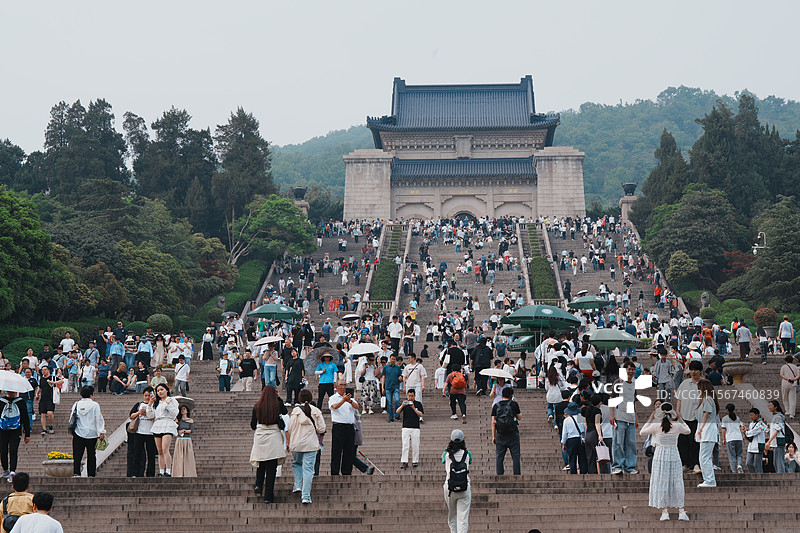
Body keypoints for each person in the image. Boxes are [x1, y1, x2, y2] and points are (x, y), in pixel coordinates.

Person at [640, 402, 690, 521]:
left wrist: (651, 418)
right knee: (677, 482)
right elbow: (688, 430)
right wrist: (679, 417)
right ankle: (681, 511)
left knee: (662, 482)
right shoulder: (677, 425)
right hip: (674, 454)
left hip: (660, 455)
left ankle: (665, 512)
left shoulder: (657, 425)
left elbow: (642, 432)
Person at [286, 389, 326, 504]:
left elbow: (290, 428)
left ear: (300, 398)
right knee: (308, 470)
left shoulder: (295, 411)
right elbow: (322, 429)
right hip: (311, 444)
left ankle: (298, 485)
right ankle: (306, 496)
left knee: (297, 463)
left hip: (297, 443)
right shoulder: (316, 411)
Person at [250, 385, 288, 503]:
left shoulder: (257, 406)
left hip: (261, 435)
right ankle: (268, 497)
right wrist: (279, 398)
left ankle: (258, 484)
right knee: (271, 468)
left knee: (261, 462)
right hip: (273, 435)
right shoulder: (277, 405)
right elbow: (285, 412)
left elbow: (252, 425)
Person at [610, 361, 639, 474]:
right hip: (619, 416)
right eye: (629, 369)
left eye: (633, 369)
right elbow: (612, 398)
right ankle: (617, 466)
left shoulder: (634, 384)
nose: (631, 371)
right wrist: (612, 415)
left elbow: (634, 402)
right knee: (618, 443)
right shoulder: (618, 382)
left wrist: (636, 418)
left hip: (630, 418)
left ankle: (630, 466)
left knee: (631, 443)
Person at [71, 386, 105, 477]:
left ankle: (77, 473)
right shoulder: (95, 405)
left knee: (77, 455)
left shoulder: (76, 404)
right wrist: (101, 432)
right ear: (91, 395)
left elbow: (72, 418)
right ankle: (91, 474)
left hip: (78, 432)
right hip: (92, 433)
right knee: (91, 454)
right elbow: (98, 419)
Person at [674, 360, 702, 472]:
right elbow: (679, 400)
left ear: (700, 371)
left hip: (697, 418)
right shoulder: (684, 383)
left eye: (696, 370)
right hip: (683, 417)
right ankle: (684, 463)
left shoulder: (704, 384)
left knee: (695, 442)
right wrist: (678, 413)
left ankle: (695, 463)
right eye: (691, 369)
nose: (693, 372)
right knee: (683, 442)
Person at [443, 429, 471, 533]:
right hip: (464, 487)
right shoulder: (467, 454)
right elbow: (470, 462)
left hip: (450, 488)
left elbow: (443, 462)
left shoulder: (446, 454)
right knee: (462, 518)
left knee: (452, 515)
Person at [329, 379, 359, 475]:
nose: (343, 387)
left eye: (344, 385)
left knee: (349, 451)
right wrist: (343, 400)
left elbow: (356, 406)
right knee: (336, 451)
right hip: (339, 427)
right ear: (336, 387)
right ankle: (334, 472)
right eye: (341, 385)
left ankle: (346, 472)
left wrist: (349, 400)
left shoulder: (350, 398)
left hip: (350, 427)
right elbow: (334, 406)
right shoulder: (333, 397)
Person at [0, 392, 30, 484]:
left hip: (16, 430)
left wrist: (27, 433)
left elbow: (25, 418)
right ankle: (5, 469)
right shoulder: (1, 401)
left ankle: (12, 471)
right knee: (3, 450)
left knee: (13, 450)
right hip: (2, 430)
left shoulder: (20, 402)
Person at [694, 379, 719, 487]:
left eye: (699, 388)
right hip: (706, 431)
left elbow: (706, 414)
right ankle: (708, 479)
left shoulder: (708, 399)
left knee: (704, 457)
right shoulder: (707, 399)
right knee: (704, 457)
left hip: (708, 431)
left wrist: (700, 429)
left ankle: (709, 480)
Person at [491, 386, 521, 475]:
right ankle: (517, 475)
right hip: (513, 433)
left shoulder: (496, 406)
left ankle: (500, 475)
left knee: (499, 457)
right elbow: (519, 417)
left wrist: (494, 436)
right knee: (515, 456)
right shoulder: (513, 404)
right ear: (511, 395)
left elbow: (493, 422)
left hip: (500, 434)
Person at [151, 383, 179, 477]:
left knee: (165, 448)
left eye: (162, 389)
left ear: (167, 390)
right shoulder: (157, 403)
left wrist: (167, 404)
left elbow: (175, 413)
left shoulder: (171, 400)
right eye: (158, 390)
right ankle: (161, 471)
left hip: (168, 423)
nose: (160, 392)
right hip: (158, 424)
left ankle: (168, 470)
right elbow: (153, 415)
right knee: (159, 451)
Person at [129, 387, 156, 478]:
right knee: (137, 454)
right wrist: (139, 412)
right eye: (145, 395)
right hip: (139, 432)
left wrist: (149, 413)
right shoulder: (139, 404)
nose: (147, 397)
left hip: (151, 433)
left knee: (151, 455)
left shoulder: (155, 405)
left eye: (149, 395)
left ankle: (150, 473)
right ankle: (135, 473)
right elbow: (131, 416)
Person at [397, 389, 423, 469]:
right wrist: (402, 405)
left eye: (412, 396)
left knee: (415, 445)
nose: (410, 397)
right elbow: (397, 412)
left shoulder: (418, 404)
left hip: (415, 427)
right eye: (409, 396)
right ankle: (404, 461)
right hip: (405, 427)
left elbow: (421, 414)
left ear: (414, 396)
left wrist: (414, 408)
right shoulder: (405, 404)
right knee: (405, 445)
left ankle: (415, 461)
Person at [172, 405, 196, 478]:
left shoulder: (190, 420)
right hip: (180, 439)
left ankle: (188, 473)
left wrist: (184, 431)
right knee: (179, 457)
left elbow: (191, 430)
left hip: (187, 440)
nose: (183, 410)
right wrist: (176, 423)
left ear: (187, 411)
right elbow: (176, 431)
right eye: (181, 409)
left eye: (184, 409)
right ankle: (178, 473)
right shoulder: (178, 420)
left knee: (188, 457)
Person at [765, 399, 787, 473]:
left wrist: (769, 441)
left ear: (776, 407)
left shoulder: (778, 417)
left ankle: (782, 476)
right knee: (777, 461)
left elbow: (777, 430)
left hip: (778, 441)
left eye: (771, 405)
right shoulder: (776, 416)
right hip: (776, 442)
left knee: (778, 461)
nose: (769, 407)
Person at [720, 403, 744, 473]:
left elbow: (724, 430)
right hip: (739, 438)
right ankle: (739, 465)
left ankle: (734, 471)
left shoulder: (725, 419)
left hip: (730, 438)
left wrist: (724, 439)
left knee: (732, 455)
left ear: (727, 410)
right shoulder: (737, 418)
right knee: (739, 454)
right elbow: (740, 428)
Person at [743, 408, 767, 473]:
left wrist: (746, 432)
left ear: (757, 415)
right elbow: (751, 433)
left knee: (757, 465)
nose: (751, 417)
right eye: (750, 415)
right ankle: (753, 475)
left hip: (758, 445)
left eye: (752, 415)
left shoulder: (761, 424)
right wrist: (746, 433)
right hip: (751, 446)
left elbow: (754, 432)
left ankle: (759, 478)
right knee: (748, 463)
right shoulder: (751, 423)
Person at [34, 366, 56, 435]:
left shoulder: (53, 378)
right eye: (42, 370)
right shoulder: (42, 379)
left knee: (50, 412)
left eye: (45, 370)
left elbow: (62, 381)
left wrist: (54, 382)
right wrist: (37, 394)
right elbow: (40, 387)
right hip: (43, 398)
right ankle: (44, 429)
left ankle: (50, 425)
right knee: (43, 414)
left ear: (48, 370)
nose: (44, 371)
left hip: (51, 398)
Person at [382, 354, 403, 422]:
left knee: (397, 400)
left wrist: (401, 378)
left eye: (394, 359)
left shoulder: (398, 368)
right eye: (392, 359)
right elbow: (383, 377)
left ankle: (397, 415)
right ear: (389, 359)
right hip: (388, 387)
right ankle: (390, 417)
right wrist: (382, 387)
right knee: (389, 403)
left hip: (396, 386)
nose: (393, 360)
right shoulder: (386, 367)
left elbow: (401, 376)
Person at [780, 355, 798, 420]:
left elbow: (781, 374)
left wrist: (787, 379)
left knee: (785, 397)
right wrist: (793, 379)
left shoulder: (784, 367)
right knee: (792, 399)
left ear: (786, 361)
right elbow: (798, 375)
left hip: (785, 383)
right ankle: (792, 413)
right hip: (793, 384)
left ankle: (787, 410)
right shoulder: (795, 367)